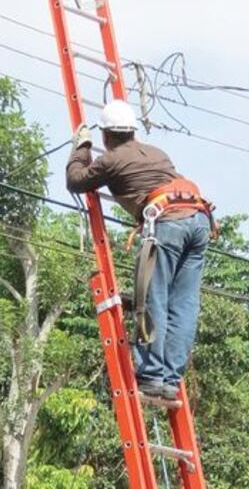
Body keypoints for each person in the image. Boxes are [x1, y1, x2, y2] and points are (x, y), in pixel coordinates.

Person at [66, 99, 214, 400]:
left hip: (167, 224)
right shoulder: (158, 153)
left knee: (152, 298)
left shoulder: (111, 159)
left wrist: (81, 147)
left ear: (106, 135)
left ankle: (152, 374)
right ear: (133, 131)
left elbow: (76, 181)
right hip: (198, 222)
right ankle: (170, 380)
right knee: (184, 305)